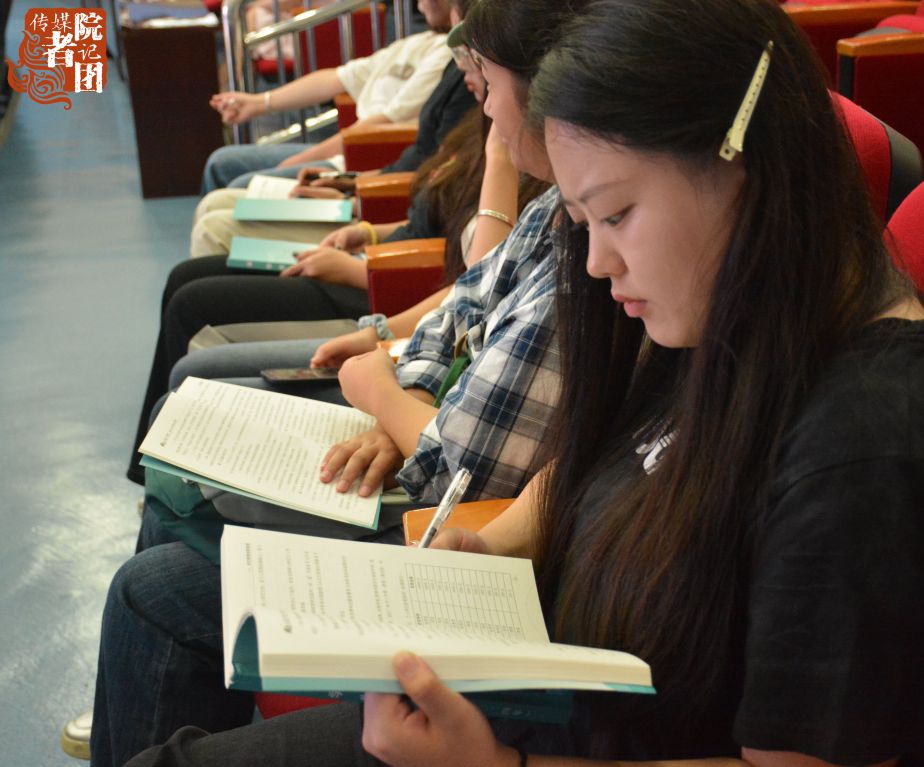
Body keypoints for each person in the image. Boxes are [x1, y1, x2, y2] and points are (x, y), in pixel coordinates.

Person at [119, 0, 924, 765]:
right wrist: (493, 547)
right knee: (161, 593)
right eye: (582, 220)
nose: (597, 262)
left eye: (616, 213)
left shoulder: (867, 458)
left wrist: (499, 763)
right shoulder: (740, 304)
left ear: (744, 163)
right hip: (544, 669)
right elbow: (627, 454)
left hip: (555, 739)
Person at [84, 3, 574, 764]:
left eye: (488, 81)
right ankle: (137, 683)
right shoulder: (555, 212)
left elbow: (458, 465)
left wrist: (382, 386)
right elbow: (461, 309)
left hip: (438, 504)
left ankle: (143, 684)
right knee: (179, 476)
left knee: (155, 571)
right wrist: (401, 384)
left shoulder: (586, 251)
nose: (477, 97)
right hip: (421, 421)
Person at [200, 0, 461, 193]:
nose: (419, 3)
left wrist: (296, 161)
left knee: (239, 188)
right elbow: (336, 78)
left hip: (358, 161)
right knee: (220, 163)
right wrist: (258, 103)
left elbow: (380, 125)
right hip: (343, 149)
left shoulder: (447, 56)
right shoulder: (419, 42)